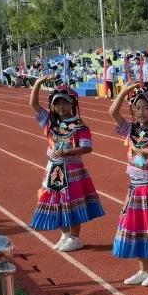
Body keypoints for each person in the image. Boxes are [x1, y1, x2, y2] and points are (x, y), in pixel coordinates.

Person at [28, 75, 104, 250]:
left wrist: (66, 151)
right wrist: (38, 83)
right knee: (56, 202)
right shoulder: (50, 122)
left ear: (73, 104)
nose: (61, 107)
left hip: (72, 170)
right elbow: (33, 105)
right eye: (57, 103)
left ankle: (75, 238)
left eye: (65, 103)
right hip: (54, 169)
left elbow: (87, 147)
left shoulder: (79, 126)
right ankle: (65, 235)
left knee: (73, 202)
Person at [109, 85, 148, 287]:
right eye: (137, 107)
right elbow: (113, 112)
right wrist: (124, 91)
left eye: (146, 108)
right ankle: (144, 269)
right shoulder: (131, 130)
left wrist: (141, 150)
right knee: (137, 228)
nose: (141, 112)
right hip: (135, 188)